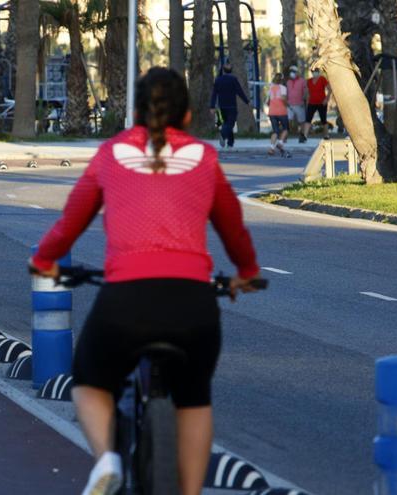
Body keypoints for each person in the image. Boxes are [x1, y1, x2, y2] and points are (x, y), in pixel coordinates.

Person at [29, 67, 261, 495]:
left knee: (88, 379)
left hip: (125, 304)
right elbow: (234, 231)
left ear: (135, 112)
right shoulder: (205, 158)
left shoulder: (111, 153)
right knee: (194, 397)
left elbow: (69, 223)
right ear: (188, 116)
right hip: (193, 306)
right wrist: (246, 274)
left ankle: (107, 460)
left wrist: (43, 260)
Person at [209, 63, 250, 149]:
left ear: (223, 70)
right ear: (231, 71)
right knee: (230, 124)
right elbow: (239, 91)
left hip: (221, 106)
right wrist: (247, 101)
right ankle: (223, 135)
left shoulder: (218, 80)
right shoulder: (233, 79)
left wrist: (212, 106)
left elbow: (214, 94)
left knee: (225, 124)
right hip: (232, 105)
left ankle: (230, 143)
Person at [303, 67, 330, 140]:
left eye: (316, 71)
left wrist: (326, 99)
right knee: (308, 119)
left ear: (318, 72)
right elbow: (307, 92)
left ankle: (326, 135)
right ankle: (304, 136)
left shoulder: (322, 79)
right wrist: (306, 102)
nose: (314, 73)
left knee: (323, 119)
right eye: (313, 71)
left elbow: (329, 89)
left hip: (322, 103)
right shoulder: (309, 81)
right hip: (312, 103)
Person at [268, 73, 291, 158]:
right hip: (281, 111)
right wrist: (287, 105)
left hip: (272, 112)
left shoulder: (271, 88)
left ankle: (271, 148)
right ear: (282, 80)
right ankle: (280, 143)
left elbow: (268, 101)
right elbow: (284, 98)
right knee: (285, 128)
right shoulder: (283, 88)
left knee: (275, 131)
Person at [286, 65, 308, 142]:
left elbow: (305, 91)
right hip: (290, 105)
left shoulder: (302, 81)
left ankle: (301, 136)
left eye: (294, 72)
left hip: (300, 104)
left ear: (297, 72)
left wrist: (304, 100)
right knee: (287, 121)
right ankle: (284, 137)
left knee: (302, 122)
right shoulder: (288, 82)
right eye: (291, 72)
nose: (292, 73)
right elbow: (287, 93)